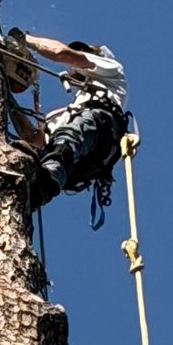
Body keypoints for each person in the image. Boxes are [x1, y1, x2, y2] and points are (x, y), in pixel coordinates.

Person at [19, 34, 129, 223]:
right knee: (59, 142)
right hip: (83, 162)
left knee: (67, 138)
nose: (78, 58)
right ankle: (32, 192)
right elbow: (34, 139)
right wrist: (6, 98)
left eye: (84, 52)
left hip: (100, 131)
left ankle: (47, 182)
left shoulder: (111, 70)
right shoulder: (69, 114)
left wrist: (24, 39)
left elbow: (62, 53)